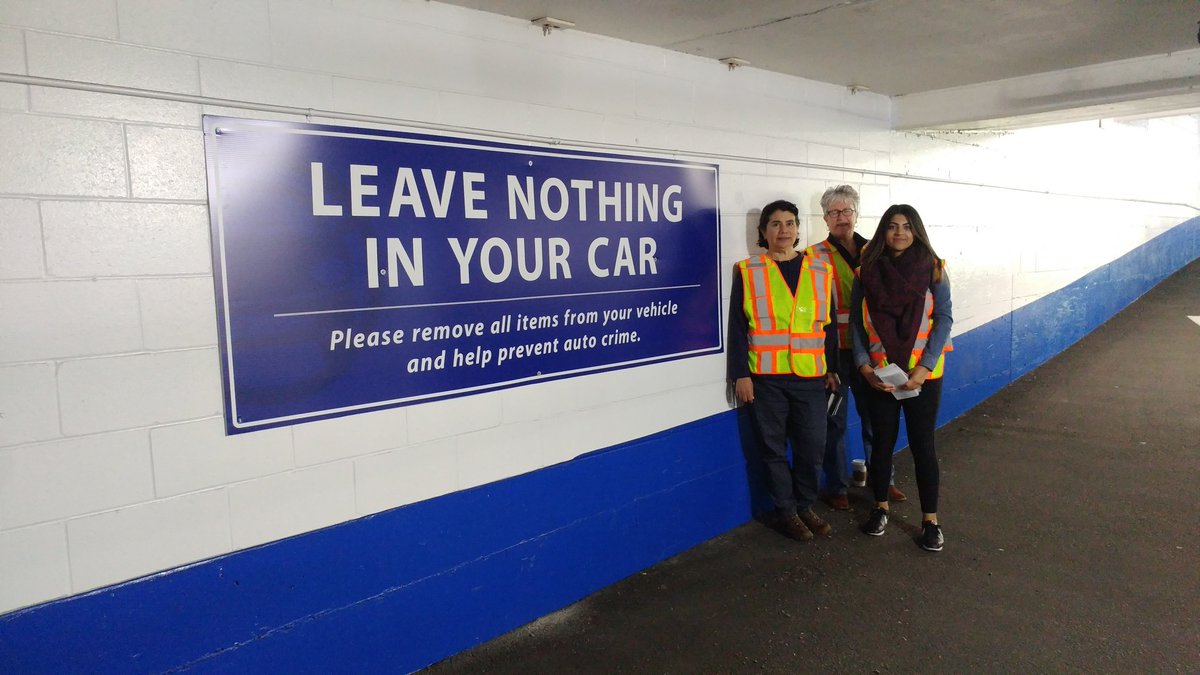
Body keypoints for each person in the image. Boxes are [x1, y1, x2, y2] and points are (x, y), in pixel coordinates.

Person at [729, 199, 838, 541]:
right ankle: (787, 512)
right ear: (763, 231)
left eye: (790, 223)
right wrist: (740, 374)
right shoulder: (748, 271)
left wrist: (833, 368)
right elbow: (736, 327)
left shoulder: (821, 269)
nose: (784, 230)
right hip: (767, 378)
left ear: (797, 229)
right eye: (775, 224)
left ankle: (805, 505)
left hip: (810, 377)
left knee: (812, 447)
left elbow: (829, 325)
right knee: (773, 450)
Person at [850, 204, 953, 552]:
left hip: (923, 376)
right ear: (883, 231)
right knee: (881, 444)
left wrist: (923, 368)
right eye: (893, 226)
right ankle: (880, 507)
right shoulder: (865, 272)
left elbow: (944, 318)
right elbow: (855, 324)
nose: (899, 233)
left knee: (923, 446)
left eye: (907, 227)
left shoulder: (934, 270)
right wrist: (864, 366)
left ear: (917, 231)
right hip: (882, 376)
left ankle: (930, 520)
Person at [807, 185, 905, 511]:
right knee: (833, 422)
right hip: (832, 354)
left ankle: (883, 481)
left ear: (856, 214)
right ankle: (837, 487)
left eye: (846, 211)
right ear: (824, 218)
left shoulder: (877, 251)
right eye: (834, 212)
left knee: (877, 418)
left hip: (872, 352)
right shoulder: (812, 256)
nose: (841, 218)